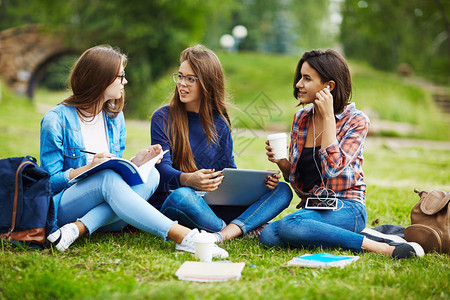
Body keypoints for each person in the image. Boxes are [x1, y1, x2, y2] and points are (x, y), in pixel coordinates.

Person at [40, 45, 228, 258]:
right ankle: (183, 236)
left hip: (109, 214)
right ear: (100, 79)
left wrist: (136, 163)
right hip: (66, 206)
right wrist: (87, 168)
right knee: (106, 178)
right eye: (120, 76)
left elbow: (115, 177)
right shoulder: (56, 120)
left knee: (152, 175)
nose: (125, 81)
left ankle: (77, 229)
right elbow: (47, 184)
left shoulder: (114, 118)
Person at [259, 49, 424, 259]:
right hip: (314, 207)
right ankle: (338, 235)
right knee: (268, 236)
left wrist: (328, 117)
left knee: (290, 225)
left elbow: (332, 168)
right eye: (300, 77)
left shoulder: (356, 121)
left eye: (307, 78)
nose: (299, 84)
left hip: (347, 206)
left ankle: (384, 248)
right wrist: (282, 162)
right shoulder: (301, 118)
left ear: (328, 86)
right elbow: (300, 181)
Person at [150, 45, 293, 242]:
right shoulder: (162, 118)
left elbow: (228, 171)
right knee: (182, 196)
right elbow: (161, 172)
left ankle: (220, 232)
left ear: (208, 83)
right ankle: (232, 230)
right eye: (180, 76)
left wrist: (259, 184)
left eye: (191, 79)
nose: (182, 84)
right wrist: (188, 179)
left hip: (212, 205)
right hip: (178, 202)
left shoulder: (220, 123)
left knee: (281, 190)